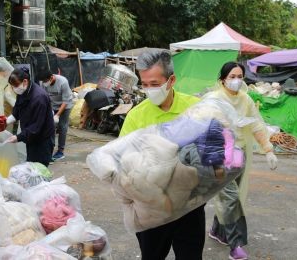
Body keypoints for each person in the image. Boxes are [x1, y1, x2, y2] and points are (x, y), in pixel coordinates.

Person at [119, 49, 205, 260]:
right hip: (151, 210)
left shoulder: (195, 108)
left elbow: (212, 151)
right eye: (144, 84)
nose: (149, 90)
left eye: (155, 84)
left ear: (171, 80)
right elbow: (123, 161)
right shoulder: (136, 116)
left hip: (189, 206)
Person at [203, 62, 278, 260]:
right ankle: (236, 245)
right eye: (232, 76)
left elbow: (257, 125)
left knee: (229, 198)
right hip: (220, 156)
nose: (236, 80)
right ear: (222, 79)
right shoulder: (213, 99)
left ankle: (217, 231)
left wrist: (268, 150)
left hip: (240, 154)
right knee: (231, 199)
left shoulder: (245, 99)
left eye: (240, 76)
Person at [5, 67, 54, 167]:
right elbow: (18, 107)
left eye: (16, 85)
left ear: (25, 81)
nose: (14, 88)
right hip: (31, 137)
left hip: (42, 139)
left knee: (40, 170)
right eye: (12, 86)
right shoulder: (23, 91)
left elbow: (36, 126)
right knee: (31, 167)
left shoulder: (39, 97)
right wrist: (8, 120)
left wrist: (18, 137)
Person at [37, 70, 74, 161]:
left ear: (51, 77)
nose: (45, 83)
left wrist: (57, 115)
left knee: (62, 127)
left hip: (65, 106)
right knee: (50, 127)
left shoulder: (63, 82)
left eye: (46, 81)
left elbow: (65, 101)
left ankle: (60, 151)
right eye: (43, 82)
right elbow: (44, 97)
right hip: (52, 105)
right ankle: (49, 150)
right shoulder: (43, 82)